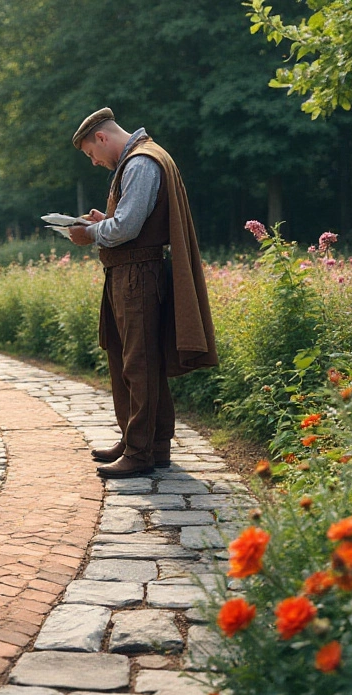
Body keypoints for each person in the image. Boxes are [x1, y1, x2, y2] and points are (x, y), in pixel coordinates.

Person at [67, 108, 218, 478]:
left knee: (140, 362)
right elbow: (131, 222)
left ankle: (140, 452)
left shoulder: (140, 163)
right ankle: (149, 442)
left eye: (91, 153)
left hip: (138, 273)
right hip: (131, 271)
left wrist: (90, 233)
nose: (94, 162)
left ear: (102, 138)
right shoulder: (141, 159)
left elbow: (129, 227)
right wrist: (104, 223)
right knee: (129, 357)